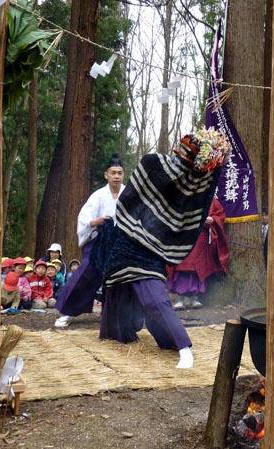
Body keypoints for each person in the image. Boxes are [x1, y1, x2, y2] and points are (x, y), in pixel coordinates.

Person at [92, 129, 230, 369]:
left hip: (153, 250)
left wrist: (217, 164)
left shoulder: (195, 185)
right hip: (128, 240)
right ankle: (118, 333)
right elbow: (135, 193)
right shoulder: (154, 163)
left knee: (154, 298)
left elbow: (199, 203)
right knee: (115, 288)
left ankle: (182, 347)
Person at [54, 151, 125, 328]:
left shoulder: (128, 193)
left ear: (123, 175)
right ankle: (68, 311)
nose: (116, 176)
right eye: (113, 173)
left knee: (120, 277)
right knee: (85, 272)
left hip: (121, 242)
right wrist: (97, 222)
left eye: (119, 173)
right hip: (99, 240)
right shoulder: (98, 195)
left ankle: (114, 315)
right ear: (106, 175)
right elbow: (85, 218)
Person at [167, 198, 229, 310]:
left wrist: (212, 219)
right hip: (185, 236)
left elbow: (220, 215)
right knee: (182, 267)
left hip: (201, 238)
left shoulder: (211, 200)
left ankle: (193, 299)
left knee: (197, 268)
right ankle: (180, 300)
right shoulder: (187, 195)